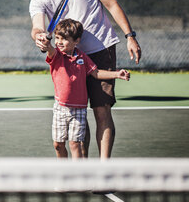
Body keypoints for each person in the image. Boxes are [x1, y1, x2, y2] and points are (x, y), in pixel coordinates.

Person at [22, 0, 141, 159]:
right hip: (70, 60)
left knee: (102, 111)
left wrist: (130, 36)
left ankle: (103, 170)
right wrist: (39, 35)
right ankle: (84, 170)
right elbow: (37, 26)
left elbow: (111, 3)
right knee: (78, 116)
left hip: (101, 49)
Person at [42, 18, 130, 159]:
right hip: (60, 108)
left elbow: (96, 73)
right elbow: (50, 50)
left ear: (76, 41)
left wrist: (116, 74)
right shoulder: (57, 55)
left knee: (74, 144)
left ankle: (78, 176)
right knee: (58, 145)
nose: (59, 42)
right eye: (57, 38)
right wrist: (46, 44)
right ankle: (62, 173)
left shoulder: (82, 57)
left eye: (64, 39)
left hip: (78, 110)